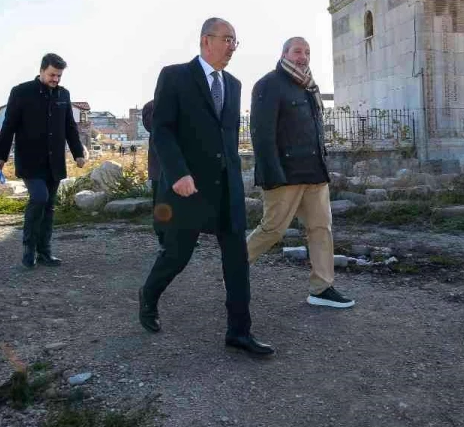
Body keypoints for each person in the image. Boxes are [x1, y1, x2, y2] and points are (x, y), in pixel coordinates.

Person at [138, 18, 274, 357]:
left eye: (235, 41)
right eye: (227, 39)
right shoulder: (175, 76)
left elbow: (226, 139)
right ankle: (149, 295)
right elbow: (164, 130)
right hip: (189, 187)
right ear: (205, 41)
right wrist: (178, 173)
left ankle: (239, 331)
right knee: (177, 255)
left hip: (226, 188)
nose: (232, 47)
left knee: (237, 260)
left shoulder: (234, 83)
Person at [247, 37, 354, 309]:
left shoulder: (309, 86)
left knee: (321, 229)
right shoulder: (269, 84)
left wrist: (323, 165)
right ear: (284, 53)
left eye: (307, 52)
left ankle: (322, 288)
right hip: (285, 174)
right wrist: (271, 174)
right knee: (272, 230)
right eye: (297, 51)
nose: (303, 56)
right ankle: (233, 268)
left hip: (314, 173)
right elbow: (261, 134)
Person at [0, 53, 87, 267]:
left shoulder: (63, 94)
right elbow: (9, 126)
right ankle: (28, 249)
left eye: (59, 76)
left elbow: (69, 126)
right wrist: (0, 156)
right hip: (30, 160)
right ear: (42, 70)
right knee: (39, 198)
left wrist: (78, 152)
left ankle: (45, 252)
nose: (55, 79)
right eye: (52, 74)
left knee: (49, 206)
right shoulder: (21, 92)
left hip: (54, 162)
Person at [140, 99, 164, 248]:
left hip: (184, 164)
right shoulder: (151, 106)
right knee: (161, 202)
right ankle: (163, 236)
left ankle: (184, 236)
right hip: (160, 165)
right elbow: (152, 126)